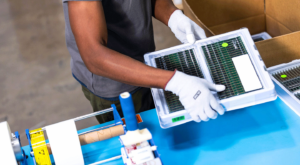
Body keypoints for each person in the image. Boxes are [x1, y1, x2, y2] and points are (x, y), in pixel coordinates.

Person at [61, 0, 226, 124]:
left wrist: (172, 16)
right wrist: (177, 83)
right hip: (114, 83)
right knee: (142, 144)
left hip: (143, 59)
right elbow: (94, 56)